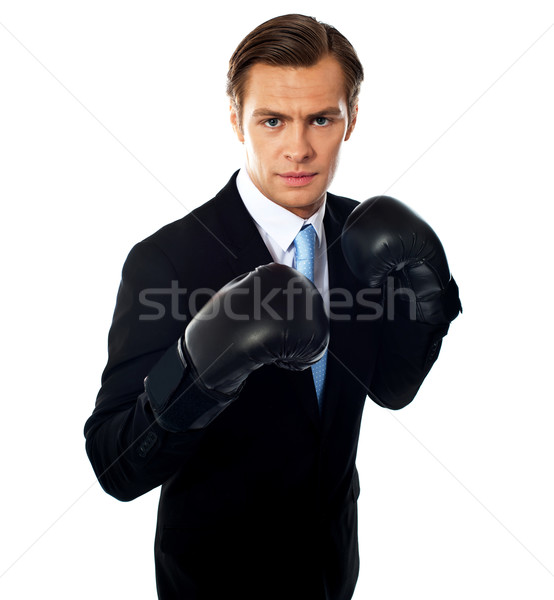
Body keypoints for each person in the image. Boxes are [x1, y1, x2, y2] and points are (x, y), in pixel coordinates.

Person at [84, 13, 461, 600]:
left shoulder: (367, 240)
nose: (298, 147)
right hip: (212, 583)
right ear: (236, 119)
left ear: (351, 119)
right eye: (273, 120)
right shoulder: (167, 260)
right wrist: (201, 369)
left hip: (333, 572)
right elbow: (117, 466)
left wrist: (429, 303)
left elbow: (392, 387)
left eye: (321, 119)